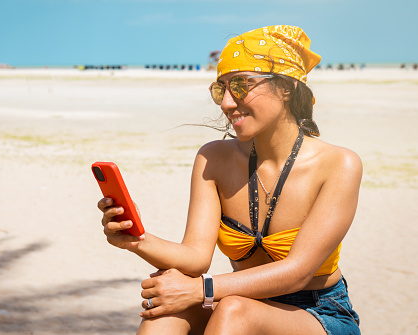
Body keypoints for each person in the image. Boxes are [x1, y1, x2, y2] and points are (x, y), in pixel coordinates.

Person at [98, 25, 362, 335]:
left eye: (240, 85)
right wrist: (137, 239)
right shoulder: (214, 158)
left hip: (318, 311)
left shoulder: (338, 164)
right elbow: (195, 258)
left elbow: (297, 273)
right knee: (165, 312)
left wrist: (201, 291)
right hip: (238, 299)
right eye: (220, 89)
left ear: (287, 88)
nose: (225, 103)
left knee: (233, 311)